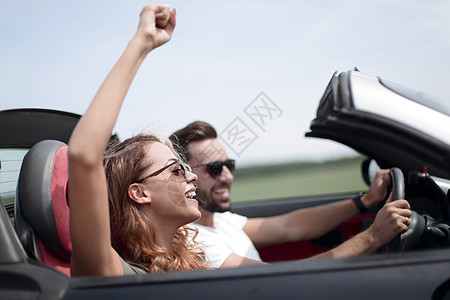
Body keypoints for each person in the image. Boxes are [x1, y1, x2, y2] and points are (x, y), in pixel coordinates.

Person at [68, 5, 210, 276]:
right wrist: (142, 42)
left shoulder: (187, 260)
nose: (192, 178)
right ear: (139, 193)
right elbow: (84, 156)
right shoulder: (115, 274)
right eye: (176, 170)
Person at [169, 121, 412, 268]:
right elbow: (281, 278)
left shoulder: (221, 221)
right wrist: (374, 236)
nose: (227, 176)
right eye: (214, 169)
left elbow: (290, 225)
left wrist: (364, 201)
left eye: (228, 165)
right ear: (185, 175)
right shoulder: (195, 242)